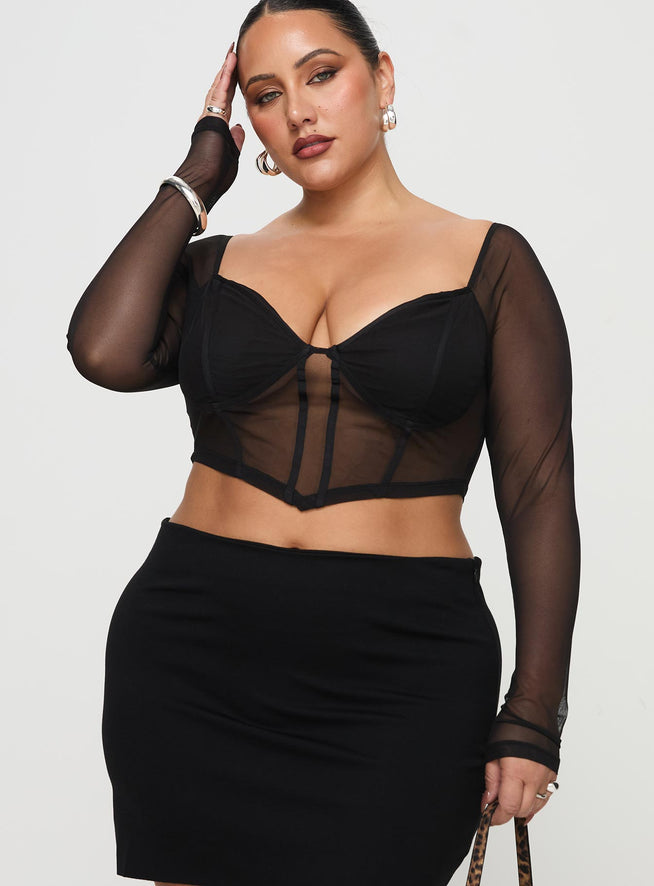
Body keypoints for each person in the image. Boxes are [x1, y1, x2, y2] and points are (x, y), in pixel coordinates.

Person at [65, 2, 581, 884]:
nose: (298, 111)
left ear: (381, 78)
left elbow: (537, 490)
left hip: (401, 666)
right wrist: (196, 178)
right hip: (195, 653)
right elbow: (102, 351)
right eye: (266, 94)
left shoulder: (490, 262)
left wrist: (534, 714)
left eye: (322, 74)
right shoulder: (217, 263)